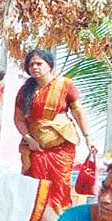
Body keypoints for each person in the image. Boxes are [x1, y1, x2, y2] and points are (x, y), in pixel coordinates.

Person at [14, 49, 96, 210]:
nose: (35, 67)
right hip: (35, 148)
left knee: (60, 187)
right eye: (31, 65)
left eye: (39, 63)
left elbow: (78, 111)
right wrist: (29, 139)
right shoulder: (25, 91)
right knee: (36, 189)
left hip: (61, 147)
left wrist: (88, 138)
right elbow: (18, 119)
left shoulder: (65, 85)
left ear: (49, 65)